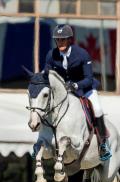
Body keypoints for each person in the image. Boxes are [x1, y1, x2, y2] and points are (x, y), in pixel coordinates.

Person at [42, 24, 111, 161]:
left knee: (98, 109)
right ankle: (43, 141)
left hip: (85, 89)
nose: (59, 42)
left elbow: (89, 79)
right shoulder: (51, 55)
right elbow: (46, 75)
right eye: (57, 40)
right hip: (64, 93)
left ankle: (103, 144)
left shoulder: (82, 54)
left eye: (63, 39)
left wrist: (75, 85)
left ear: (69, 40)